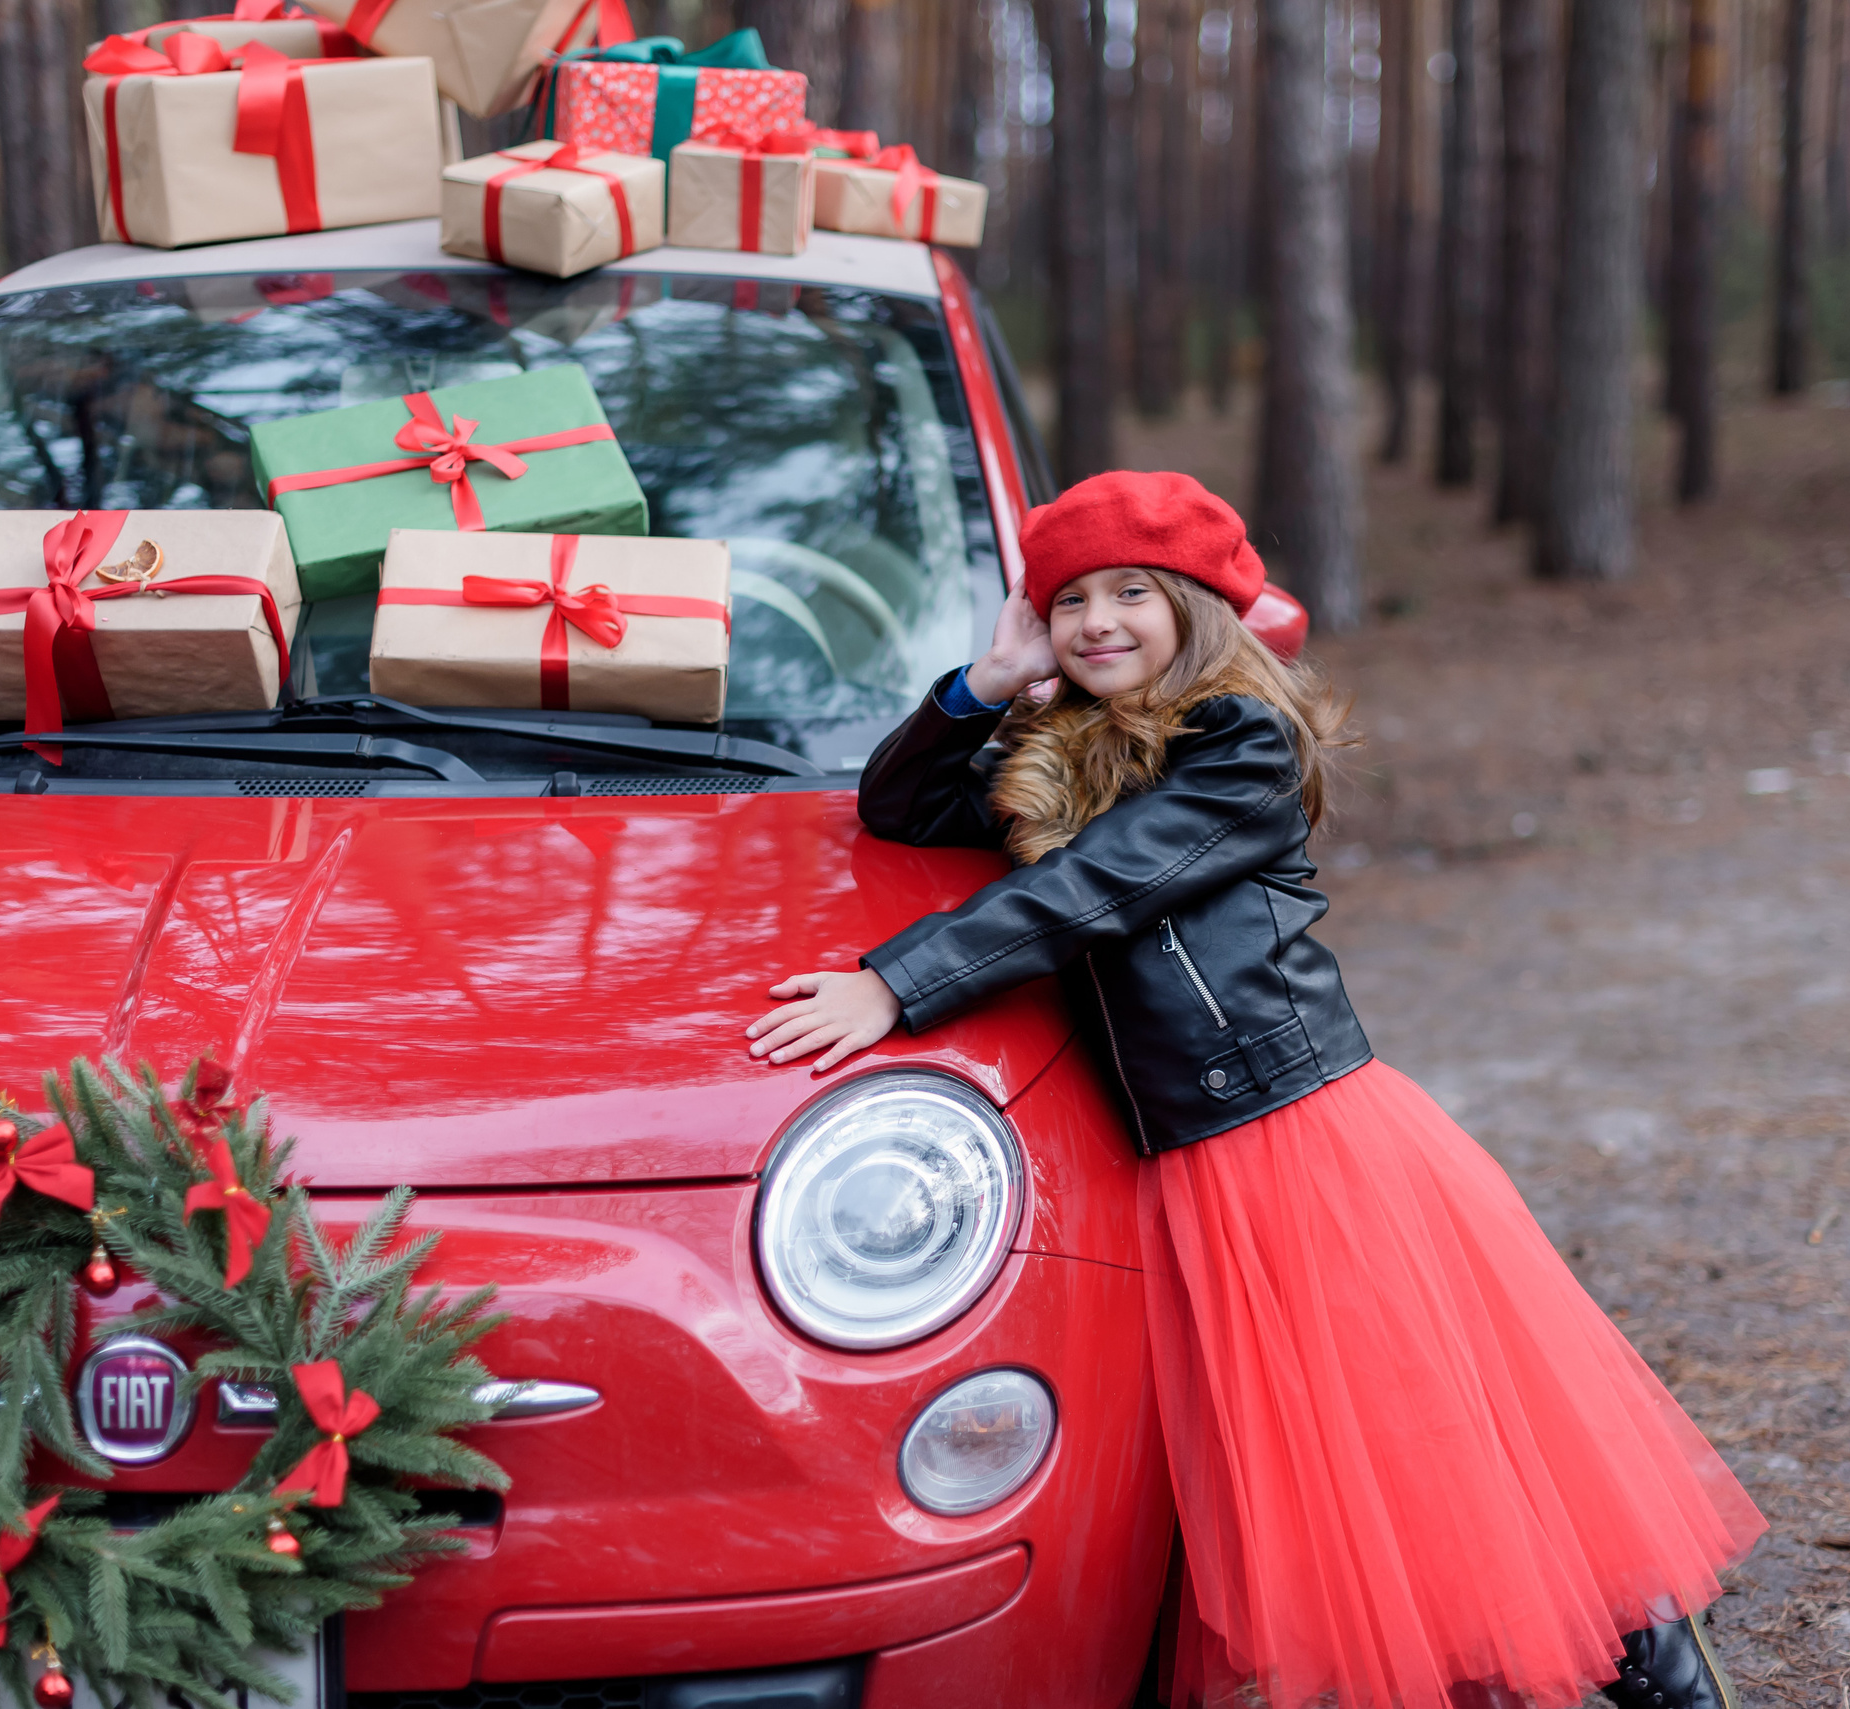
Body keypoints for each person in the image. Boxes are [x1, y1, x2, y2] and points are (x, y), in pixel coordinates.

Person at [744, 471, 1765, 1709]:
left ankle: (1652, 1660)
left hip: (1296, 1134)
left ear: (1196, 608)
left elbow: (1100, 888)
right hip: (1184, 1154)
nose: (1097, 620)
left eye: (1132, 591)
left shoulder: (1241, 746)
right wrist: (986, 685)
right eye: (1069, 600)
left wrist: (900, 983)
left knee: (1413, 1422)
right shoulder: (1055, 749)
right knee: (1291, 1455)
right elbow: (896, 806)